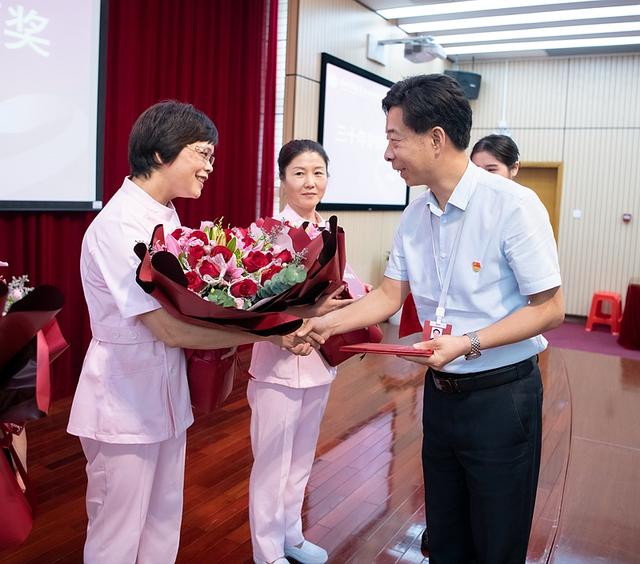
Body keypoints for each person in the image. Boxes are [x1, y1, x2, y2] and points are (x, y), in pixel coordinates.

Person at [298, 75, 564, 563]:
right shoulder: (415, 213)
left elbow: (549, 307)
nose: (387, 154)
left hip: (502, 398)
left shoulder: (513, 206)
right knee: (443, 534)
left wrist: (468, 342)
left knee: (497, 539)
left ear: (436, 138)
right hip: (440, 396)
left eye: (394, 139)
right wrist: (324, 325)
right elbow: (387, 295)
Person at [67, 101, 311, 564]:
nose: (209, 167)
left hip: (164, 392)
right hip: (122, 397)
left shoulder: (167, 216)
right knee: (117, 531)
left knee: (163, 519)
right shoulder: (120, 225)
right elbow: (168, 329)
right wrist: (270, 333)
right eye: (202, 153)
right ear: (161, 154)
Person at [247, 140, 353, 564]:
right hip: (276, 363)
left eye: (318, 172)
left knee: (301, 462)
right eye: (299, 173)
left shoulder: (329, 232)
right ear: (282, 180)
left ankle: (292, 536)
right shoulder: (267, 234)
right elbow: (255, 302)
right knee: (272, 465)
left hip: (318, 361)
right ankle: (267, 551)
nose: (310, 182)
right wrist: (311, 307)